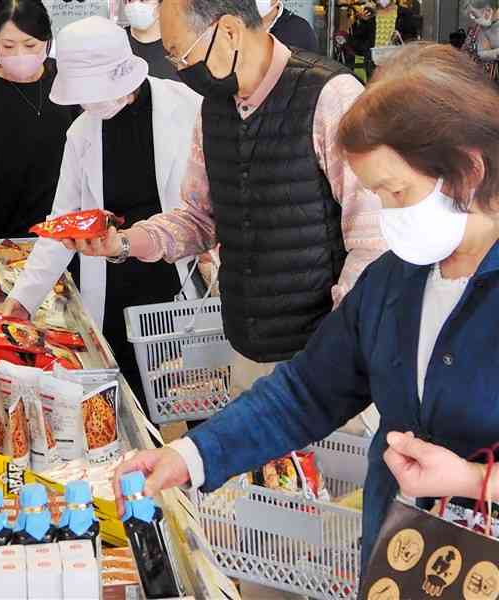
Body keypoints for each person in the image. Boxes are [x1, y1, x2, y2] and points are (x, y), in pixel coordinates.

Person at [111, 42, 499, 572]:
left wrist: (475, 481)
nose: (387, 217)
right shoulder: (395, 281)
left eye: (398, 192)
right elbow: (307, 391)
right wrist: (191, 455)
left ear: (467, 170)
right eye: (376, 195)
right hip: (398, 559)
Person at [64, 0, 384, 403]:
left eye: (180, 51)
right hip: (247, 348)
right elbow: (198, 219)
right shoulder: (213, 109)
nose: (179, 68)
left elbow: (373, 242)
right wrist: (123, 242)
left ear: (229, 31)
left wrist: (339, 344)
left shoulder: (330, 97)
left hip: (326, 359)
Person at [4, 16, 202, 403]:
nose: (89, 102)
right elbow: (60, 226)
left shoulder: (189, 109)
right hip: (114, 289)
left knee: (195, 397)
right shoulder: (82, 132)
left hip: (176, 282)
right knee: (130, 404)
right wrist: (23, 301)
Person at [0, 0, 78, 246]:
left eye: (30, 45)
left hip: (68, 234)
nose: (20, 55)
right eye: (8, 46)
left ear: (47, 42)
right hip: (9, 238)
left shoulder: (66, 83)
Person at [351, 0, 417, 78]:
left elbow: (412, 37)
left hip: (397, 63)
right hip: (374, 64)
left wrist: (400, 38)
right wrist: (362, 21)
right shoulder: (370, 14)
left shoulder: (404, 13)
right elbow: (357, 41)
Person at [124, 0, 180, 81]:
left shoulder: (179, 48)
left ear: (161, 5)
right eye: (130, 0)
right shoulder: (117, 43)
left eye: (143, 0)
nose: (135, 5)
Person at [462, 0, 499, 82]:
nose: (473, 19)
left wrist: (484, 54)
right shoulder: (477, 28)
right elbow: (466, 51)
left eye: (475, 15)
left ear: (488, 11)